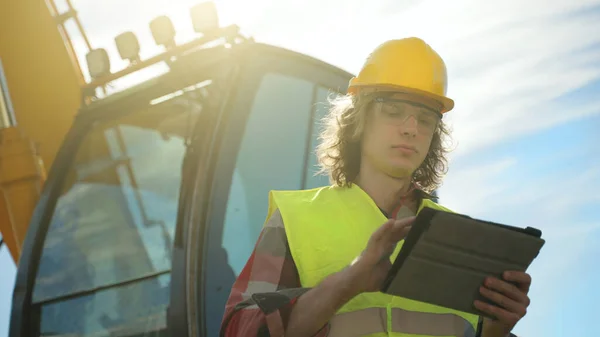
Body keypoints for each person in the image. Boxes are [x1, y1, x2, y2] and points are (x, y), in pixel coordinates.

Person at [219, 37, 532, 337]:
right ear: (359, 120)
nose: (411, 129)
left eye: (425, 119)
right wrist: (350, 280)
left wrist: (495, 330)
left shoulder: (464, 239)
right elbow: (239, 330)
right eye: (393, 112)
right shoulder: (294, 219)